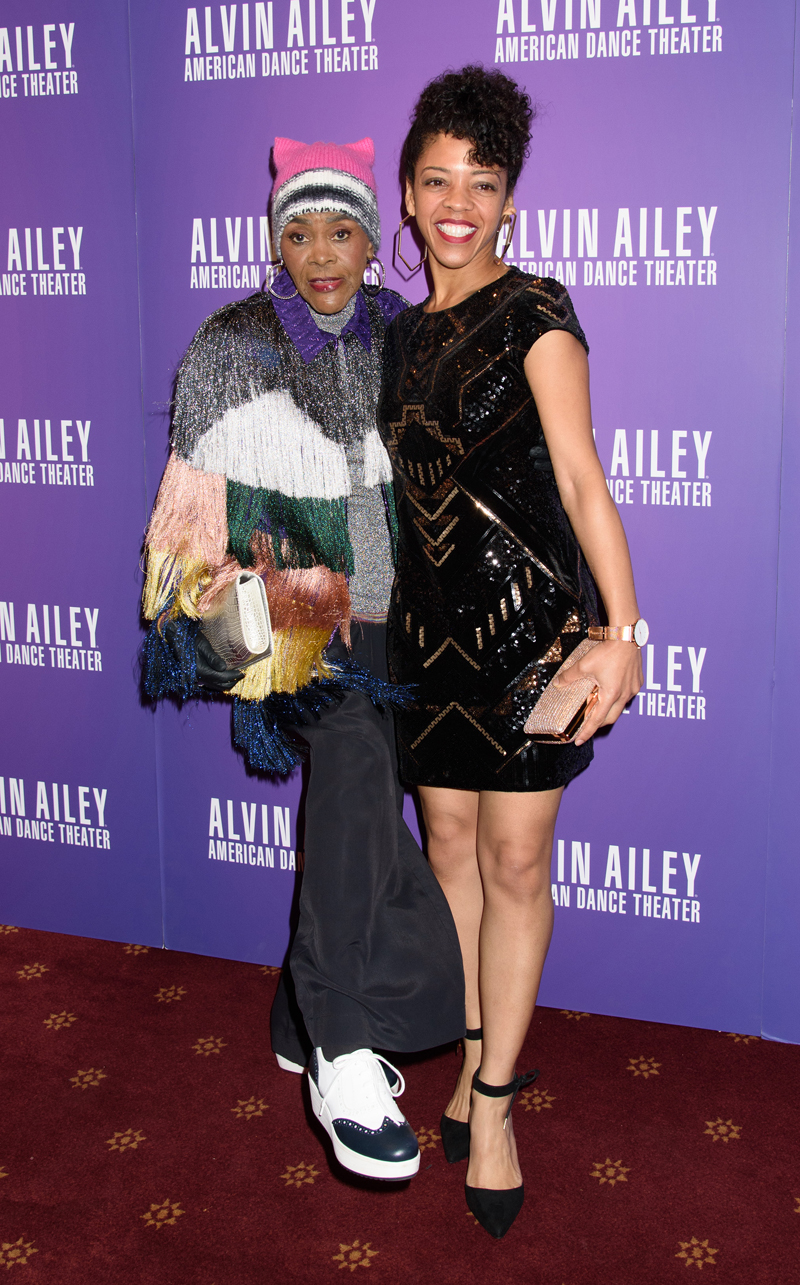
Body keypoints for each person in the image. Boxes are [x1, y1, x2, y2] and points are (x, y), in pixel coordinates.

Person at [141, 136, 465, 1182]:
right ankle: (338, 1039)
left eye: (341, 230)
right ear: (273, 240)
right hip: (292, 626)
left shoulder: (405, 338)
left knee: (372, 807)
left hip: (397, 628)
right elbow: (186, 516)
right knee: (363, 774)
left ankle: (294, 1007)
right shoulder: (229, 345)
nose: (319, 253)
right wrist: (201, 611)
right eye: (298, 231)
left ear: (376, 241)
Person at [378, 67, 645, 1236]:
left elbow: (582, 480)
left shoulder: (536, 308)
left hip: (531, 638)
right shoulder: (393, 339)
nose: (455, 204)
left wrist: (619, 632)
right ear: (405, 189)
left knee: (515, 867)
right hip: (425, 640)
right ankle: (472, 1043)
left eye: (479, 184)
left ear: (507, 201)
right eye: (435, 179)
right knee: (445, 846)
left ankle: (492, 1104)